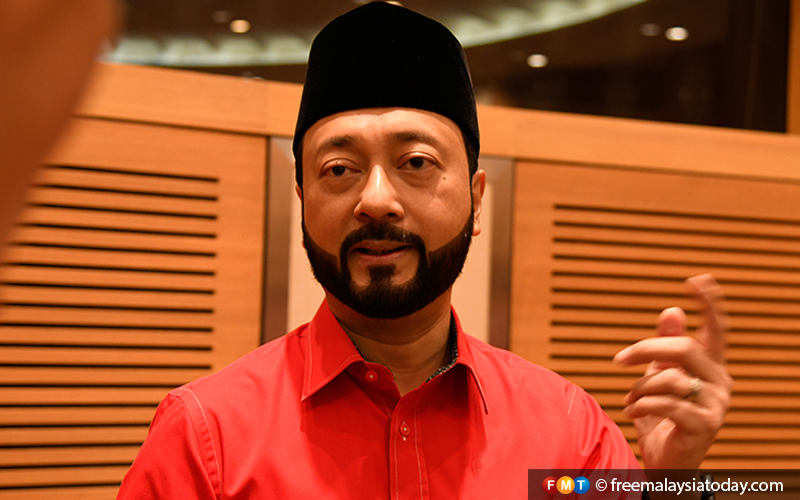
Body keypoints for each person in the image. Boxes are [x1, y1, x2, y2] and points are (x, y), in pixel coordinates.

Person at [116, 3, 731, 499]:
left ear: (477, 199)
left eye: (415, 162)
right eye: (339, 169)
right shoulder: (204, 439)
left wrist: (670, 479)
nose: (376, 200)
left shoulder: (569, 434)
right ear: (301, 200)